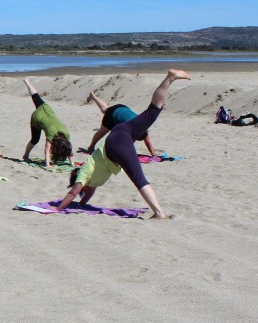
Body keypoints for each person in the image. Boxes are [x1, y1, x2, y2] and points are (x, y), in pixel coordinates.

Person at [56, 69, 190, 219]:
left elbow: (73, 193)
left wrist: (57, 209)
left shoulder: (83, 174)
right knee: (153, 111)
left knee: (138, 179)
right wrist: (81, 202)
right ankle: (170, 78)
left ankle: (159, 213)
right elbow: (85, 197)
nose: (83, 192)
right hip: (122, 132)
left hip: (115, 144)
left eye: (81, 189)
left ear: (77, 181)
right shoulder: (91, 183)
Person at [85, 90, 158, 156]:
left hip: (122, 107)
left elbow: (148, 142)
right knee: (102, 132)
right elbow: (126, 144)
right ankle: (91, 147)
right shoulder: (129, 128)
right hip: (112, 115)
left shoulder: (143, 125)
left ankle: (93, 97)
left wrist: (153, 154)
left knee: (105, 109)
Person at [20, 78, 73, 168]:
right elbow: (47, 150)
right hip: (37, 117)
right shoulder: (51, 136)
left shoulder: (66, 135)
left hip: (47, 109)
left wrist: (72, 163)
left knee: (36, 97)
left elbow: (69, 150)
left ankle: (28, 82)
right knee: (35, 139)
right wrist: (48, 165)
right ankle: (25, 155)